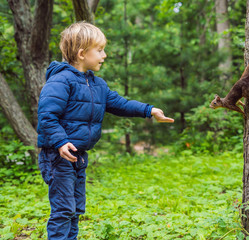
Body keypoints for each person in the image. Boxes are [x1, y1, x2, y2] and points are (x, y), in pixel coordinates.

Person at [37, 22, 174, 240]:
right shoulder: (61, 80)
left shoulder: (97, 85)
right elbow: (47, 116)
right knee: (63, 210)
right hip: (57, 155)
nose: (105, 55)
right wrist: (61, 142)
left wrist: (150, 110)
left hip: (78, 156)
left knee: (76, 209)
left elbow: (120, 104)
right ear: (82, 53)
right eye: (99, 50)